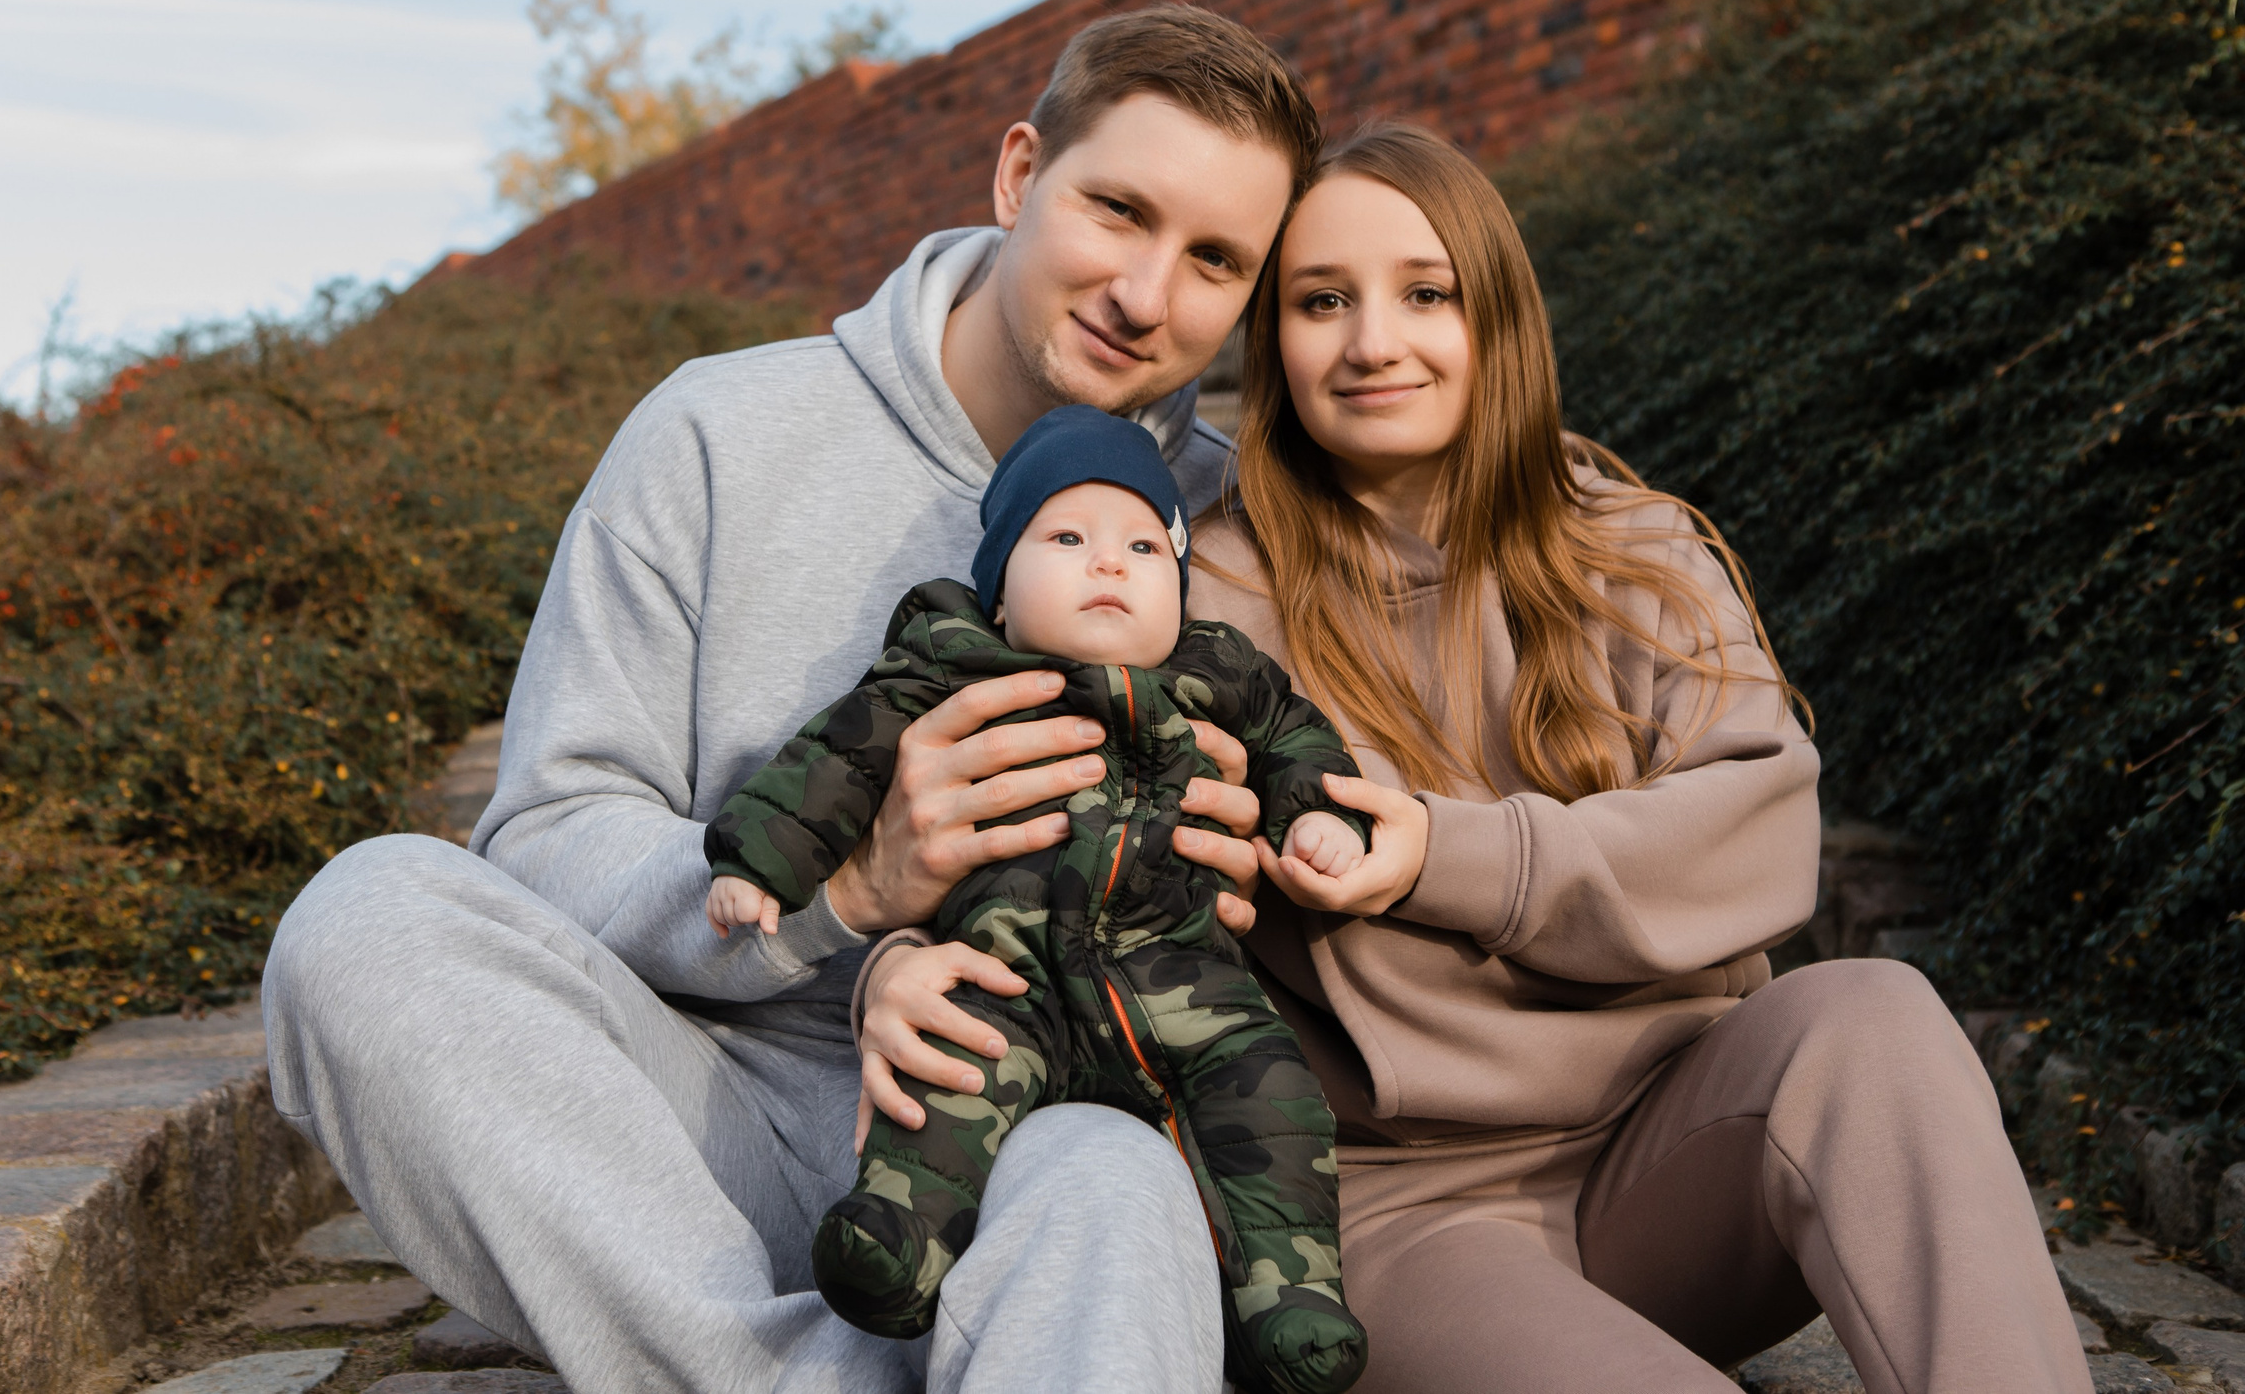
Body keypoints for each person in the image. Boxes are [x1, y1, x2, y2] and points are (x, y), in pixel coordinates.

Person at [855, 122, 2093, 1392]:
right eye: (1320, 300)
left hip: (1675, 1145)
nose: (1374, 341)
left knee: (1871, 1013)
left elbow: (1762, 825)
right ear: (1274, 342)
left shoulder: (1632, 542)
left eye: (1425, 292)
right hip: (1401, 1210)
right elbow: (1056, 823)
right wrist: (900, 961)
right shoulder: (1195, 597)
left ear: (1495, 315)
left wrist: (1449, 853)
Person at [260, 5, 1320, 1394]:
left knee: (1113, 1183)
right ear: (1017, 176)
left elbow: (1358, 795)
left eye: (1216, 260)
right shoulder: (716, 433)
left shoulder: (1238, 524)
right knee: (365, 918)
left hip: (1035, 1114)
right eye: (1118, 210)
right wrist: (853, 890)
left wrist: (1265, 860)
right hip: (707, 1113)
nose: (1145, 292)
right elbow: (546, 831)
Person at [705, 403, 1372, 1394]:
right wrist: (756, 860)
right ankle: (898, 1241)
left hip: (1182, 981)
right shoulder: (946, 664)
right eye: (1066, 538)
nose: (1110, 564)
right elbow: (835, 758)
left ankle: (1292, 1300)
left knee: (1270, 1098)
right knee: (943, 1080)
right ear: (1001, 587)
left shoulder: (1219, 673)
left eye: (1144, 545)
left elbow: (1295, 741)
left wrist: (1317, 815)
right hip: (1003, 974)